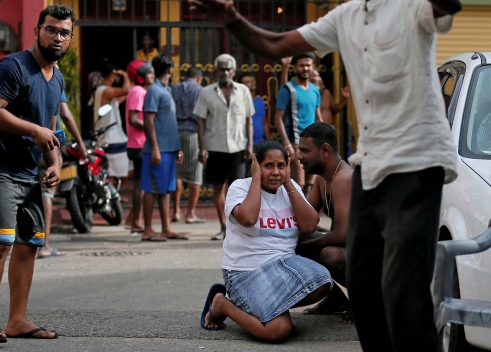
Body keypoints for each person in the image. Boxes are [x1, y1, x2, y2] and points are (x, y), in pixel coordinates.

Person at [189, 0, 462, 350]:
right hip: (371, 164)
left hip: (418, 160)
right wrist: (232, 19)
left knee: (404, 287)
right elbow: (274, 44)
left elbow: (446, 5)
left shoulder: (412, 6)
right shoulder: (345, 16)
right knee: (363, 287)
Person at [0, 4, 75, 342]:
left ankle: (17, 320)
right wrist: (33, 131)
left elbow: (52, 131)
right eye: (51, 29)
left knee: (29, 244)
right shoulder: (14, 66)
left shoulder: (56, 78)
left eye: (64, 32)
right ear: (36, 31)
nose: (57, 37)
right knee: (0, 242)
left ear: (70, 38)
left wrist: (55, 164)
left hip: (29, 172)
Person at [200, 140, 332, 342]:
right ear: (256, 165)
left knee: (323, 281)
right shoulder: (240, 187)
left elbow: (310, 225)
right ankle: (222, 304)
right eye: (268, 166)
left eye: (281, 165)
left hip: (284, 265)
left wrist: (289, 182)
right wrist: (255, 179)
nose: (276, 172)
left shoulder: (290, 187)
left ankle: (269, 308)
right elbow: (248, 218)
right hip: (245, 272)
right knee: (278, 330)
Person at [295, 123, 352, 322]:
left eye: (304, 150)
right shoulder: (321, 179)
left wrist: (304, 246)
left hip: (368, 256)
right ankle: (336, 298)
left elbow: (342, 235)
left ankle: (362, 300)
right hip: (348, 248)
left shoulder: (344, 177)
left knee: (330, 254)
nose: (299, 156)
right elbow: (305, 221)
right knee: (295, 235)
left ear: (325, 150)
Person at [193, 54, 254, 240]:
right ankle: (224, 227)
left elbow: (248, 120)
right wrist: (202, 147)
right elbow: (201, 122)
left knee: (238, 190)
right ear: (216, 71)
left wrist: (250, 144)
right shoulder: (206, 92)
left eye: (228, 69)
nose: (225, 72)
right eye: (222, 69)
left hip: (238, 148)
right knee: (218, 189)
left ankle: (237, 228)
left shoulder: (243, 91)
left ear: (233, 71)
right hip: (214, 147)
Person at [141, 55, 187, 241]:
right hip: (157, 150)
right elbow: (149, 120)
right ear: (170, 70)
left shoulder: (165, 90)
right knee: (152, 189)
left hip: (169, 149)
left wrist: (176, 147)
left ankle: (166, 228)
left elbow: (166, 122)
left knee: (166, 190)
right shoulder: (154, 91)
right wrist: (155, 148)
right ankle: (148, 230)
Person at [37, 89, 87, 259]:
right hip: (47, 144)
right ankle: (43, 245)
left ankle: (27, 243)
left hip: (26, 142)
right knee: (46, 193)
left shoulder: (23, 72)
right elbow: (64, 113)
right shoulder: (54, 79)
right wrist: (80, 143)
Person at [275, 53, 322, 196]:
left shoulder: (315, 90)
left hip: (313, 143)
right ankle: (293, 217)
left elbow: (318, 117)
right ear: (295, 67)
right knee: (297, 184)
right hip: (296, 143)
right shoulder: (288, 89)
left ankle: (303, 216)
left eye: (308, 65)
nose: (305, 68)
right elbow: (278, 118)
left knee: (310, 183)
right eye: (302, 65)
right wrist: (287, 144)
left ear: (312, 67)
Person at [124, 59, 155, 237]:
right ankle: (136, 222)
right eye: (149, 73)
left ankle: (133, 219)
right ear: (141, 76)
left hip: (140, 143)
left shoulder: (140, 91)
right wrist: (151, 126)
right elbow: (133, 118)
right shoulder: (138, 92)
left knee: (141, 184)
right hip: (139, 144)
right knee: (141, 186)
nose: (152, 76)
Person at [171, 67, 205, 224]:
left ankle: (176, 210)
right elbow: (202, 117)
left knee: (177, 172)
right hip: (193, 132)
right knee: (195, 173)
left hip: (175, 132)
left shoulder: (174, 88)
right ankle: (190, 212)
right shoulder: (200, 90)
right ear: (199, 78)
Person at [93, 62, 131, 181]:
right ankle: (112, 195)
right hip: (111, 138)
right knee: (116, 174)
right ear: (112, 77)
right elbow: (125, 90)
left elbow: (121, 97)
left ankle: (113, 195)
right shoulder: (106, 91)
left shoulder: (103, 91)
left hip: (111, 138)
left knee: (124, 171)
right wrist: (125, 75)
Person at [239, 73, 269, 145]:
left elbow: (264, 123)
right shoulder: (239, 102)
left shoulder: (259, 101)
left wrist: (268, 140)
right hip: (244, 142)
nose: (252, 83)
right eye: (248, 82)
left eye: (251, 80)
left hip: (260, 141)